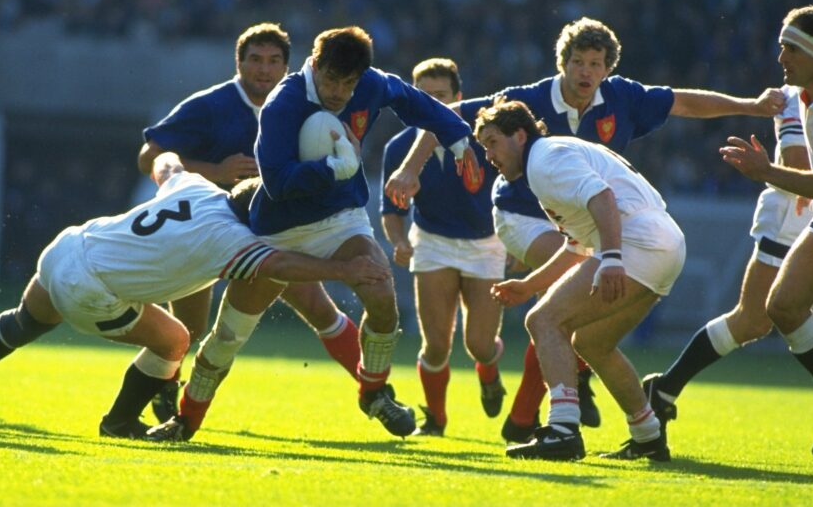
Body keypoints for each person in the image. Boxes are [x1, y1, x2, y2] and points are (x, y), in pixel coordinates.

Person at [386, 16, 785, 443]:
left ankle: (556, 423)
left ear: (608, 68)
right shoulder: (526, 102)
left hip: (616, 235)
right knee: (581, 333)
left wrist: (751, 106)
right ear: (562, 63)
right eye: (578, 61)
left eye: (595, 64)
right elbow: (448, 117)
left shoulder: (558, 147)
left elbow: (668, 121)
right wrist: (410, 169)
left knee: (547, 319)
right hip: (554, 223)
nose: (586, 71)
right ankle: (641, 432)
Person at [0, 153, 388, 435]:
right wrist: (344, 269)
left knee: (26, 320)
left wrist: (179, 160)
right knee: (176, 341)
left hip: (70, 245)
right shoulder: (237, 240)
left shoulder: (198, 186)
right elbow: (282, 266)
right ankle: (120, 422)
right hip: (91, 286)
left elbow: (167, 163)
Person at [231, 25, 474, 438]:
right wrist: (333, 168)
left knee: (379, 293)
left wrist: (457, 136)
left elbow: (411, 99)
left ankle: (374, 392)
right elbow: (276, 182)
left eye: (349, 83)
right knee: (227, 335)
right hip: (276, 226)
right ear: (314, 65)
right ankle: (182, 412)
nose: (339, 92)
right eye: (331, 80)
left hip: (339, 215)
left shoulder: (371, 84)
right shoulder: (280, 104)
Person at [138, 23, 361, 420]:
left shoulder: (302, 107)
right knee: (188, 329)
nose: (264, 69)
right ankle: (165, 389)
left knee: (319, 307)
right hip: (207, 226)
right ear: (238, 62)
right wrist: (215, 171)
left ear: (287, 67)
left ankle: (376, 391)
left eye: (274, 61)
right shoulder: (210, 105)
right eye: (255, 59)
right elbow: (148, 157)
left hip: (269, 230)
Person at [478, 99, 686, 461]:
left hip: (639, 241)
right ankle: (649, 436)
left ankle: (563, 431)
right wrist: (528, 286)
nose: (489, 155)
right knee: (591, 343)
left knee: (543, 320)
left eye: (492, 142)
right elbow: (577, 245)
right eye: (484, 147)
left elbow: (603, 198)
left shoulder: (544, 159)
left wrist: (613, 258)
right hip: (664, 245)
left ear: (520, 135)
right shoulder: (547, 159)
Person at [643, 84, 810, 429]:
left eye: (788, 54)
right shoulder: (794, 94)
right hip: (796, 215)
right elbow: (799, 164)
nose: (782, 60)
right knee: (754, 319)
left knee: (762, 318)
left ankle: (665, 388)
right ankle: (665, 388)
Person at [718, 4, 813, 458]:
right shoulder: (806, 97)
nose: (781, 57)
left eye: (791, 49)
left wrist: (768, 172)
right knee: (782, 306)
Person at [380, 58, 506, 436]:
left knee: (479, 345)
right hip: (433, 242)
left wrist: (516, 240)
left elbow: (514, 189)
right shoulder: (399, 148)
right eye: (424, 97)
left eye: (441, 97)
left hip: (486, 243)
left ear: (459, 98)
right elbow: (391, 210)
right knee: (435, 346)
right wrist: (399, 242)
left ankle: (489, 371)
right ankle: (435, 420)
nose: (433, 105)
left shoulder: (484, 140)